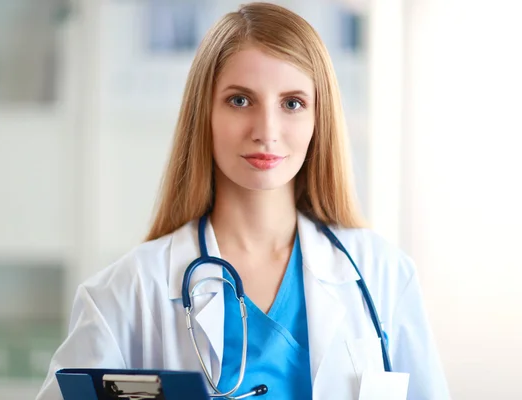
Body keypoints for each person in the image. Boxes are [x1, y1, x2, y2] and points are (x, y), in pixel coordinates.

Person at [35, 2, 450, 399]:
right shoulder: (126, 293)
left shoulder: (384, 276)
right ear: (205, 114)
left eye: (292, 103)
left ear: (317, 119)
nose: (266, 130)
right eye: (240, 100)